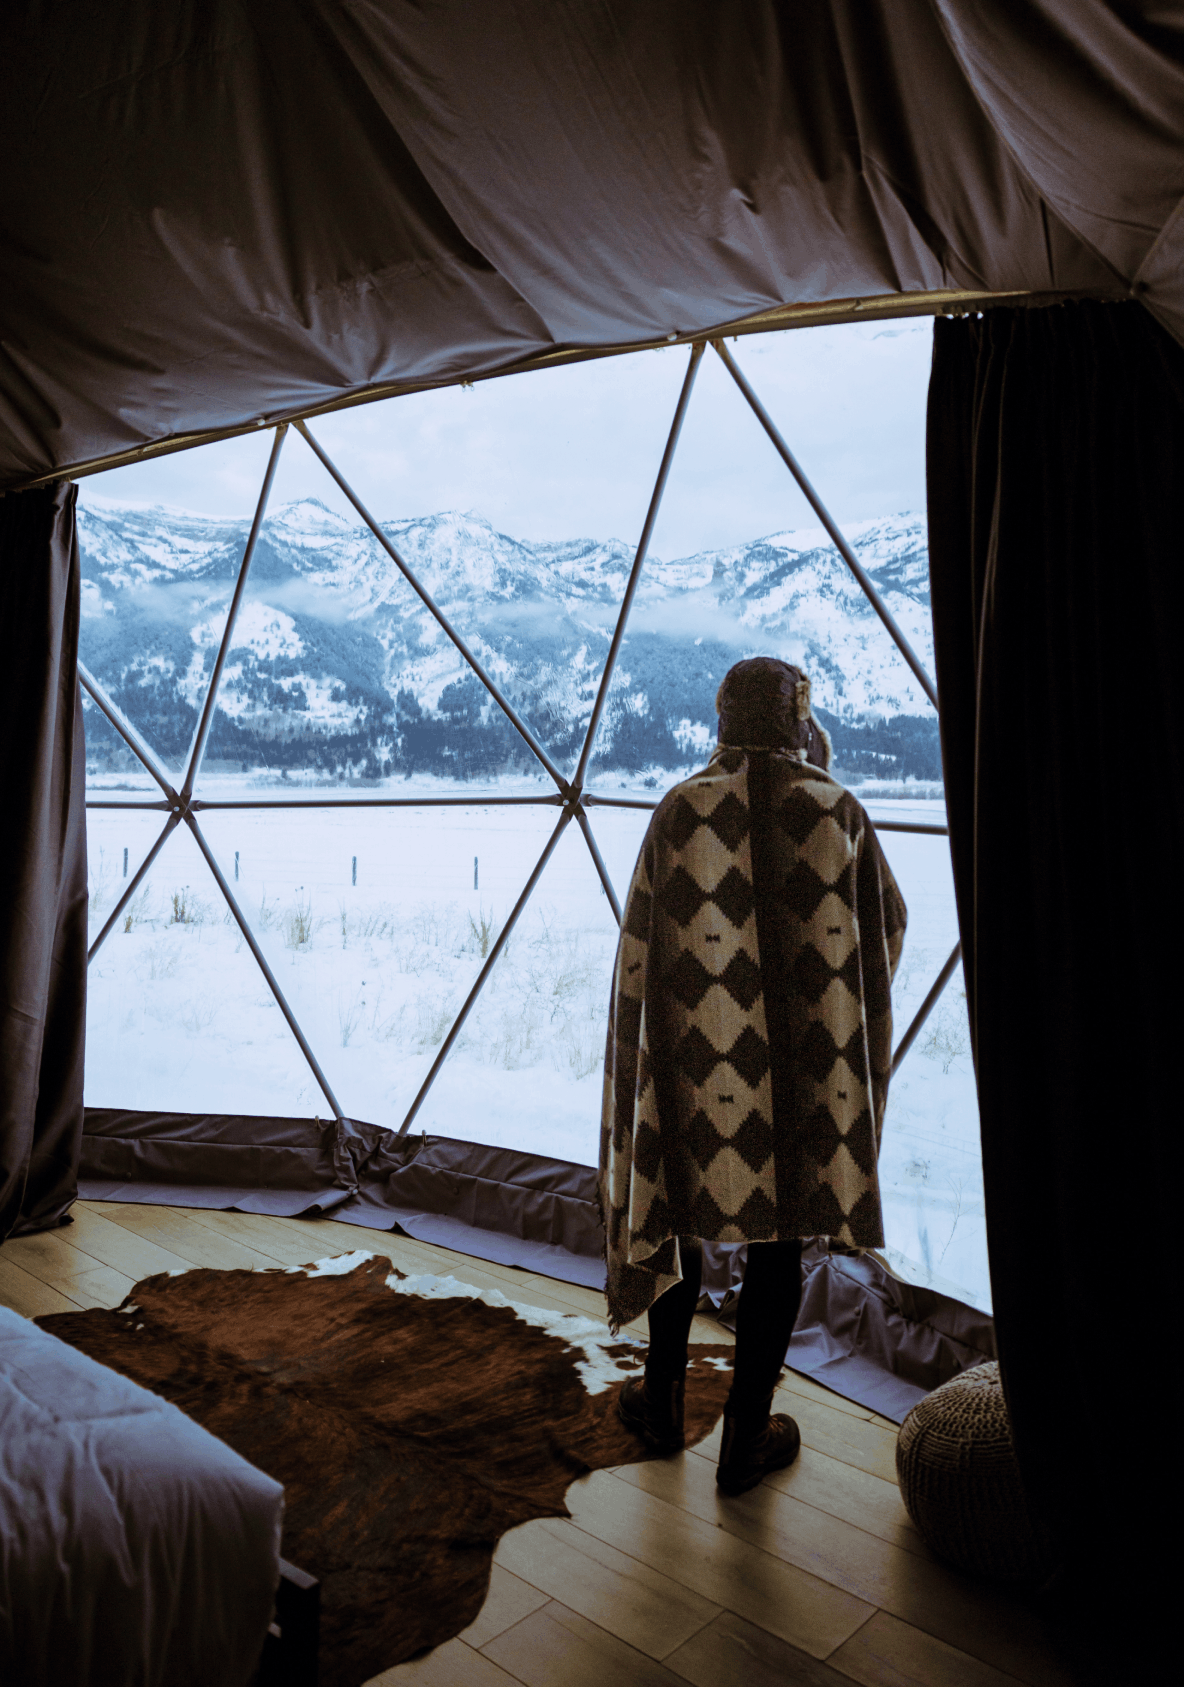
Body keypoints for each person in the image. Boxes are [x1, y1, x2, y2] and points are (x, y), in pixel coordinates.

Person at [599, 656, 907, 1495]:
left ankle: (662, 1402)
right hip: (804, 1065)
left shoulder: (678, 809)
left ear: (725, 716)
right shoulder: (837, 808)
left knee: (676, 1211)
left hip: (694, 1060)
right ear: (797, 716)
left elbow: (640, 945)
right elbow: (888, 922)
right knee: (784, 1231)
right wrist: (831, 1010)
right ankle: (744, 1435)